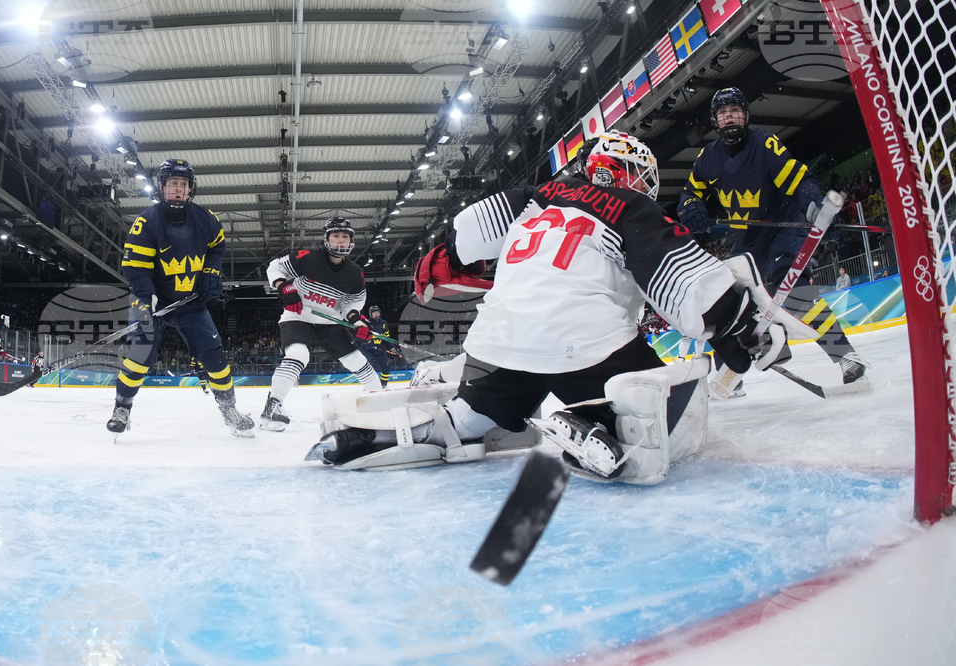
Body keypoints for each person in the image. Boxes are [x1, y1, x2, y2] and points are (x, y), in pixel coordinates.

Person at [310, 131, 810, 482]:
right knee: (676, 404)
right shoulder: (631, 206)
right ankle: (600, 423)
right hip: (584, 347)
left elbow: (464, 235)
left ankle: (377, 437)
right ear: (629, 174)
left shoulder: (534, 196)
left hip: (494, 345)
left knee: (470, 420)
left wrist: (443, 258)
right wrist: (738, 326)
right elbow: (686, 284)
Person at [677, 87, 869, 387]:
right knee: (725, 300)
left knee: (790, 286)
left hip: (782, 226)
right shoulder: (706, 158)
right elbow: (690, 192)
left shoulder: (764, 143)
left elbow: (796, 177)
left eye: (735, 111)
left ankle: (844, 354)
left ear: (745, 116)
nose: (729, 117)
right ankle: (756, 360)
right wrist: (690, 207)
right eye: (723, 113)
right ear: (716, 120)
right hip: (746, 239)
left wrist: (813, 203)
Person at [107, 158, 254, 437]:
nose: (178, 189)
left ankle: (229, 409)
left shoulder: (206, 219)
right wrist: (145, 295)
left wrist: (211, 273)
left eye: (183, 184)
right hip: (151, 299)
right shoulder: (146, 222)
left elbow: (217, 247)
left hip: (189, 301)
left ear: (190, 189)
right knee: (140, 354)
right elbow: (136, 267)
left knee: (215, 356)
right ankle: (122, 408)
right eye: (173, 183)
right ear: (162, 186)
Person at [258, 217, 383, 432]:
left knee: (356, 360)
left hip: (329, 322)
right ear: (327, 239)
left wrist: (356, 320)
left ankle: (380, 403)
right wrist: (283, 287)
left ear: (351, 241)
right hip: (298, 316)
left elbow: (353, 302)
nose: (341, 241)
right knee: (298, 355)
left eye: (345, 237)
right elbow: (275, 267)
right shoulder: (307, 258)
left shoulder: (354, 273)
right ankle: (272, 407)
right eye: (336, 236)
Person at [358, 305, 396, 388]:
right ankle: (370, 386)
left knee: (386, 367)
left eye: (378, 312)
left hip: (379, 349)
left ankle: (383, 385)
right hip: (367, 350)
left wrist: (392, 347)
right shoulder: (366, 323)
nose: (376, 315)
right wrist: (366, 343)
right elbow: (360, 336)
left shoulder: (384, 323)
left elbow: (386, 338)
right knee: (370, 368)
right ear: (370, 314)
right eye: (374, 313)